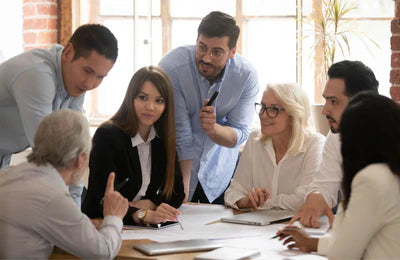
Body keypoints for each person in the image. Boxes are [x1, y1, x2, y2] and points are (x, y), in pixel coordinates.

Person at [0, 24, 118, 206]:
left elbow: (74, 148)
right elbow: (51, 156)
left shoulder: (76, 84)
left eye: (100, 77)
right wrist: (72, 221)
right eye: (87, 71)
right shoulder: (37, 74)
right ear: (68, 52)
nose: (89, 83)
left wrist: (75, 218)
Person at [277, 92, 400, 259]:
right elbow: (360, 237)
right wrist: (312, 243)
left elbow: (342, 254)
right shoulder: (390, 173)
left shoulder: (371, 180)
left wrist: (347, 186)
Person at [159, 11, 259, 204]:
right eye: (202, 47)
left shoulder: (246, 76)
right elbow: (181, 134)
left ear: (232, 51)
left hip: (218, 174)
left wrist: (213, 129)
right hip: (175, 170)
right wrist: (184, 190)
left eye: (217, 52)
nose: (206, 58)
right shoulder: (172, 67)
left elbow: (240, 133)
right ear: (196, 40)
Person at [0, 110, 129, 259]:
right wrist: (114, 216)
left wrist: (77, 223)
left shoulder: (7, 174)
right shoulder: (52, 196)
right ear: (80, 159)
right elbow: (103, 252)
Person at [82, 66, 185, 226]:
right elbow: (101, 199)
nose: (150, 107)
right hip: (101, 224)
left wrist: (150, 204)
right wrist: (140, 214)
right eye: (143, 97)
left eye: (159, 101)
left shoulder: (161, 139)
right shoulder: (107, 135)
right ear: (131, 98)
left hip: (141, 228)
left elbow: (177, 193)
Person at [290, 60, 379, 227]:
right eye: (326, 100)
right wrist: (316, 195)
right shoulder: (336, 136)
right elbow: (325, 184)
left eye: (334, 102)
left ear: (361, 103)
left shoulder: (391, 139)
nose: (324, 111)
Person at [224, 83, 325, 210]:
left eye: (273, 109)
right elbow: (232, 192)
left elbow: (304, 200)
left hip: (297, 227)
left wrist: (263, 204)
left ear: (294, 114)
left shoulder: (315, 144)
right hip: (258, 228)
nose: (263, 115)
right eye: (263, 107)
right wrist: (246, 201)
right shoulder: (255, 140)